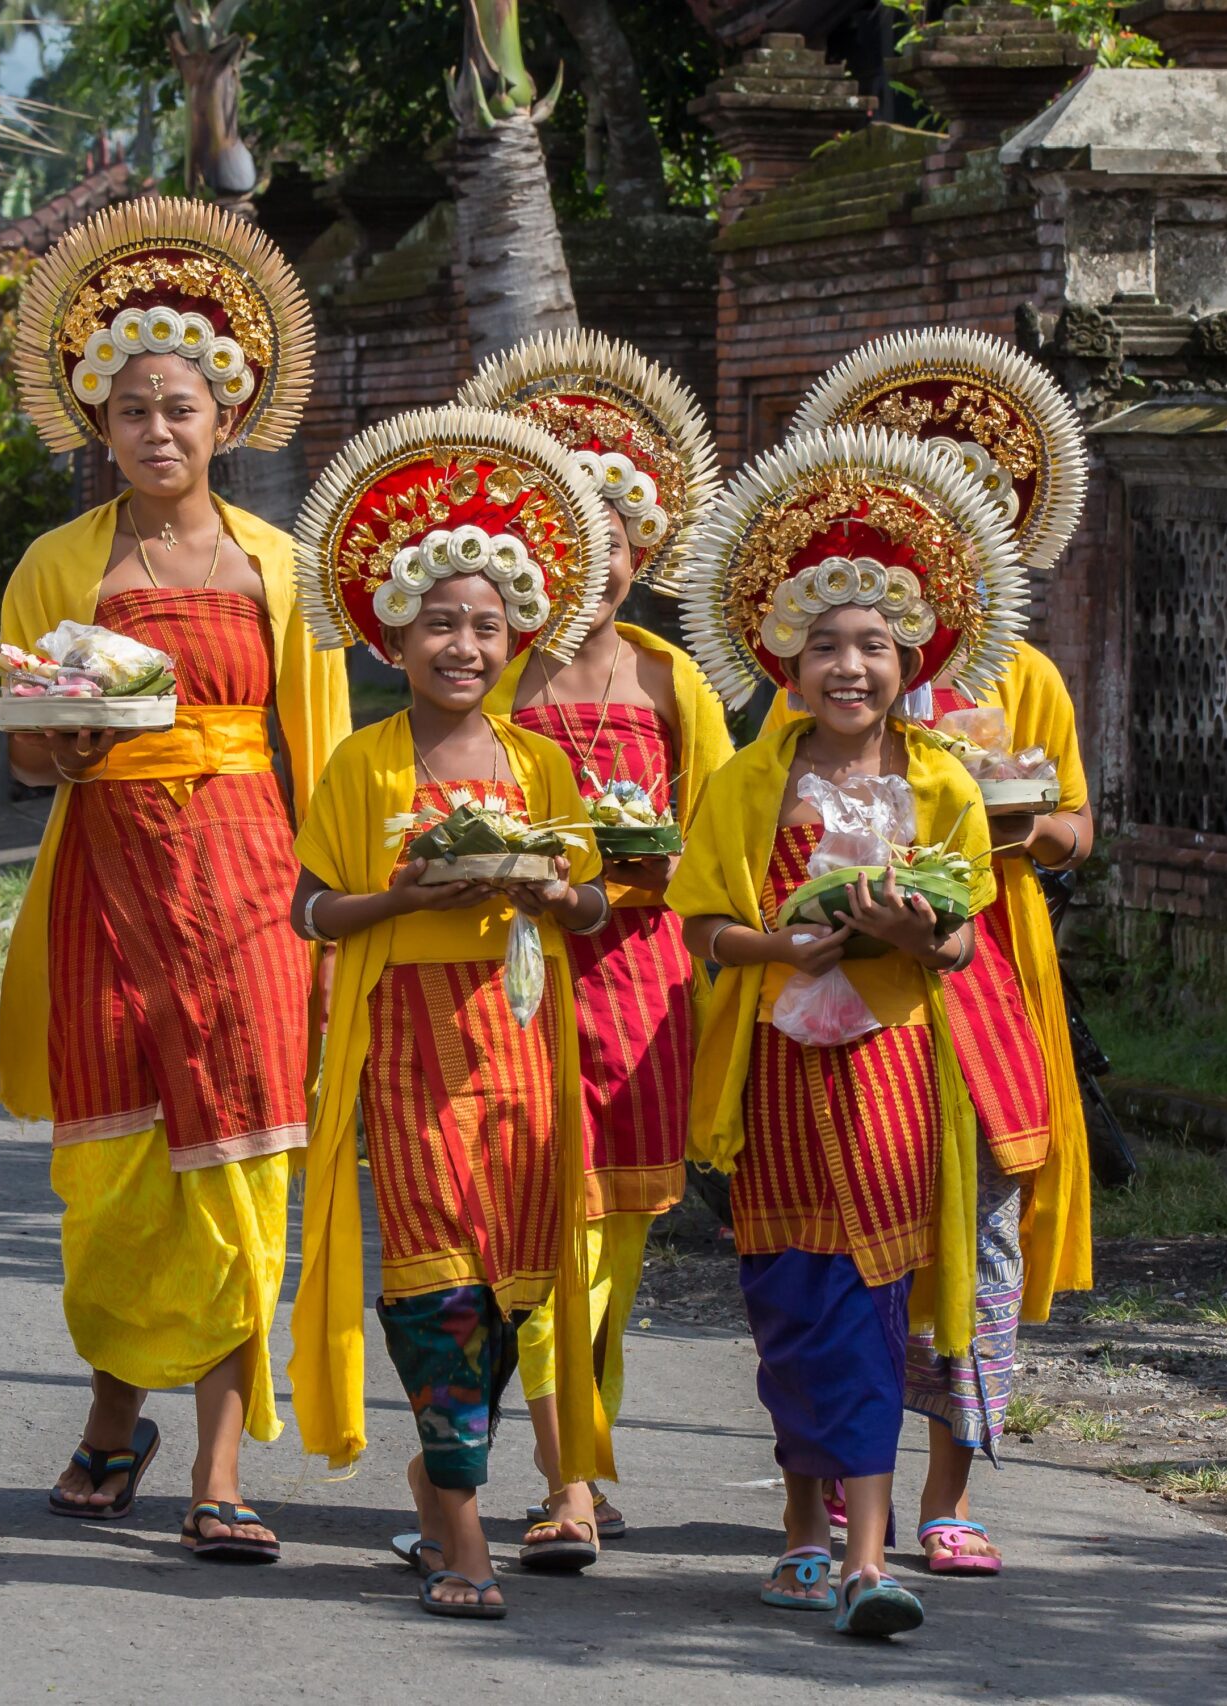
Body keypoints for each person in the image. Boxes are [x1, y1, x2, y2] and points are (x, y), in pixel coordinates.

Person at [0, 197, 348, 1561]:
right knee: (118, 1173)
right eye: (133, 408)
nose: (158, 430)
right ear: (99, 423)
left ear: (230, 416)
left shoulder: (283, 571)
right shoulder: (54, 566)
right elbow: (23, 751)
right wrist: (67, 736)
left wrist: (330, 923)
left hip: (255, 877)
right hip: (106, 879)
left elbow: (318, 761)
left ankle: (217, 1463)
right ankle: (108, 1412)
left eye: (182, 407)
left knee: (247, 1169)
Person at [670, 422, 1025, 1638]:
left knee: (874, 1295)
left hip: (891, 1078)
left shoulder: (942, 786)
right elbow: (701, 928)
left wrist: (910, 929)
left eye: (874, 643)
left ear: (910, 655)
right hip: (772, 1071)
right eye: (824, 645)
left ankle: (867, 1556)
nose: (851, 667)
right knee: (790, 1299)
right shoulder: (743, 782)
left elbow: (966, 939)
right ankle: (798, 1529)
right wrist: (786, 943)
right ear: (783, 656)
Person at [285, 405, 615, 1618]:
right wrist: (402, 890)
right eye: (439, 623)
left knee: (518, 1286)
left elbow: (586, 906)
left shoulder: (540, 766)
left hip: (523, 1038)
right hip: (408, 1046)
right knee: (437, 1284)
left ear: (517, 634)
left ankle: (440, 1487)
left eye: (484, 624)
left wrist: (540, 878)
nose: (462, 644)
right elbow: (311, 913)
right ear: (394, 635)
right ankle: (467, 1534)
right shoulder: (363, 764)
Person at [787, 330, 1100, 1573]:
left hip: (988, 968)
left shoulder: (1021, 673)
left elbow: (1073, 823)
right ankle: (814, 1499)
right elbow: (771, 820)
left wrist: (1005, 820)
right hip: (844, 989)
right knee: (840, 1219)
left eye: (968, 502)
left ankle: (948, 1493)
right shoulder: (823, 673)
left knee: (975, 1227)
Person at [457, 329, 733, 1551]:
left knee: (609, 1238)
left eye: (620, 535)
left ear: (649, 545)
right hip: (505, 977)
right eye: (575, 533)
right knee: (527, 1222)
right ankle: (562, 1468)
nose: (601, 559)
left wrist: (660, 866)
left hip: (637, 983)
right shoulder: (492, 680)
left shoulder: (678, 685)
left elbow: (720, 844)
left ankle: (576, 1465)